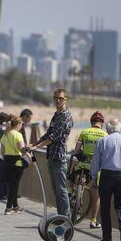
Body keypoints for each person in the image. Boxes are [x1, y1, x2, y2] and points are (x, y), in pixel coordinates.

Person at [29, 89, 73, 217]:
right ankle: (61, 216)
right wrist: (34, 144)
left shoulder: (66, 116)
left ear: (65, 99)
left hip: (59, 157)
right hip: (51, 156)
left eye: (60, 98)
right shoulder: (56, 115)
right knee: (56, 190)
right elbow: (48, 134)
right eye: (56, 98)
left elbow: (54, 137)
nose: (58, 100)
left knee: (61, 190)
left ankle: (66, 217)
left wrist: (37, 147)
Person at [90, 118, 121, 241]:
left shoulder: (102, 141)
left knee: (105, 206)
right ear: (119, 128)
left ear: (107, 129)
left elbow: (96, 161)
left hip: (106, 175)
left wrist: (93, 177)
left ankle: (107, 237)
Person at [72, 111, 107, 228]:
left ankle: (75, 197)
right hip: (96, 169)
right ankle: (93, 220)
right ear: (101, 123)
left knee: (73, 179)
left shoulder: (84, 132)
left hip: (82, 165)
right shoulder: (105, 135)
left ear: (91, 122)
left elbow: (77, 150)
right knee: (95, 194)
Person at [0, 116, 27, 215]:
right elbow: (22, 149)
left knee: (12, 184)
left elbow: (2, 151)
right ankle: (8, 208)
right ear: (18, 124)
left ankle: (15, 206)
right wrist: (27, 149)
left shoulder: (5, 135)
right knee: (14, 186)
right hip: (17, 163)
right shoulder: (18, 135)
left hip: (7, 162)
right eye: (21, 124)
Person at [0, 112, 10, 200]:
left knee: (1, 174)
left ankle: (2, 192)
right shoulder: (0, 129)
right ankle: (2, 193)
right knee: (3, 174)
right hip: (1, 154)